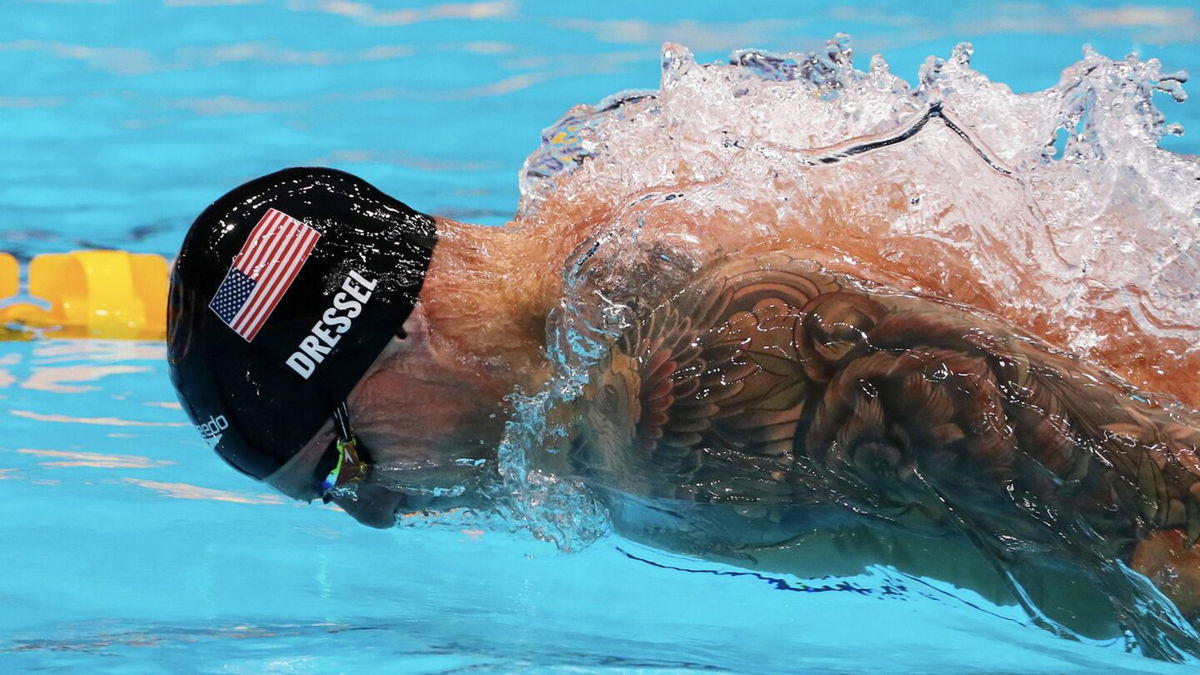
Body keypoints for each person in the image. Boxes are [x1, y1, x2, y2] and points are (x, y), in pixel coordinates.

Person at [168, 167, 1200, 649]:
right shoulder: (602, 252)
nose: (376, 512)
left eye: (344, 466)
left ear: (407, 333)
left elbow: (1163, 497)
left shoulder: (675, 390)